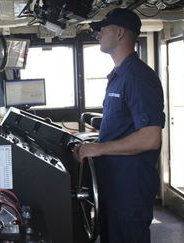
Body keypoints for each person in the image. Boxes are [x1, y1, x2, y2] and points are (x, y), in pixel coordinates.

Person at [73, 8, 165, 243]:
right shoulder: (119, 76)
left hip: (129, 191)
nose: (98, 34)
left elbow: (150, 138)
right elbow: (123, 130)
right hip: (114, 187)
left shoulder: (137, 77)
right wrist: (94, 145)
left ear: (120, 32)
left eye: (103, 29)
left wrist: (99, 149)